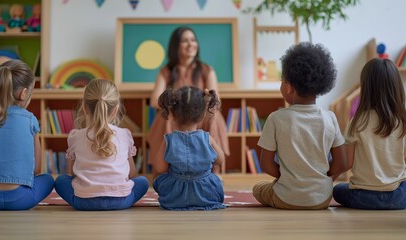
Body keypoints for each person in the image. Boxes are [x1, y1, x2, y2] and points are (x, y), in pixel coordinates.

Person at [252, 42, 347, 210]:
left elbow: (266, 164)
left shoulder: (276, 118)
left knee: (258, 188)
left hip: (286, 198)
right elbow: (341, 164)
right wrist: (319, 179)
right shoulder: (330, 118)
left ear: (289, 87)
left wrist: (290, 177)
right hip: (321, 200)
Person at [54, 79, 149, 211]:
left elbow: (71, 174)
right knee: (143, 182)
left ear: (84, 108)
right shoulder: (124, 134)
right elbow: (131, 173)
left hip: (84, 202)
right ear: (116, 110)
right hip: (121, 201)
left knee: (60, 181)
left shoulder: (75, 136)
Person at [147, 26, 229, 174]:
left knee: (213, 115)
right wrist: (175, 103)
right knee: (165, 116)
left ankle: (213, 171)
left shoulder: (206, 70)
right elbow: (154, 101)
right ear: (176, 46)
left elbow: (216, 100)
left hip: (200, 112)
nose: (191, 44)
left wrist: (201, 103)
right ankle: (164, 169)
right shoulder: (166, 71)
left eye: (193, 40)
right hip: (177, 113)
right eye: (185, 41)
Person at [0, 60, 54, 210]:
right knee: (49, 180)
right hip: (20, 200)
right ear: (23, 93)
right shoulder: (30, 119)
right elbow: (37, 170)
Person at [333, 58, 406, 210]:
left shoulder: (357, 121)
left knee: (337, 190)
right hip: (397, 197)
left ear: (366, 88)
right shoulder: (403, 121)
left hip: (362, 197)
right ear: (397, 87)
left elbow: (346, 163)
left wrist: (327, 180)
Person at [153, 86, 226, 210]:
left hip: (174, 197)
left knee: (158, 181)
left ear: (172, 115)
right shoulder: (207, 138)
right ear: (203, 114)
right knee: (216, 179)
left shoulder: (168, 140)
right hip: (207, 195)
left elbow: (160, 168)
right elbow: (220, 160)